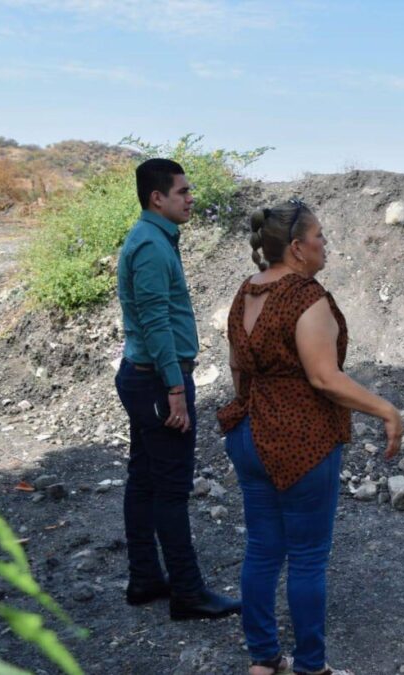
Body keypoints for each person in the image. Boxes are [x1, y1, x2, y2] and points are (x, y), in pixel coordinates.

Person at [217, 198, 404, 675]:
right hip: (300, 440)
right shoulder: (307, 297)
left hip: (249, 432)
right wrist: (386, 409)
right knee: (306, 558)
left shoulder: (247, 291)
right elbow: (324, 378)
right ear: (297, 248)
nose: (326, 244)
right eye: (320, 236)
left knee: (262, 549)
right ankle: (310, 667)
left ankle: (263, 660)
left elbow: (239, 367)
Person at [115, 158, 243, 621]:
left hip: (145, 377)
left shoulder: (153, 238)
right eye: (183, 191)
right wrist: (174, 389)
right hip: (156, 380)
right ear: (158, 197)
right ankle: (187, 593)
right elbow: (155, 323)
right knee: (170, 489)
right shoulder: (150, 245)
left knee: (145, 479)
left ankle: (146, 578)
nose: (191, 198)